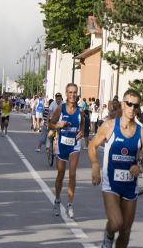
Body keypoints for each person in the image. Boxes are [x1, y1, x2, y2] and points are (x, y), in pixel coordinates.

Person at [88, 89, 143, 248]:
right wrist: (95, 165)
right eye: (129, 104)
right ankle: (108, 234)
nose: (132, 108)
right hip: (110, 184)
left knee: (125, 231)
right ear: (122, 104)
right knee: (116, 222)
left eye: (136, 105)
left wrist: (140, 167)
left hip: (130, 187)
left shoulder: (142, 133)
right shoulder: (109, 126)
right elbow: (92, 146)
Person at [48, 84, 84, 219]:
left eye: (75, 92)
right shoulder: (60, 108)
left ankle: (69, 204)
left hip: (74, 145)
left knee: (73, 174)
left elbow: (83, 122)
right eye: (70, 92)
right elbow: (50, 124)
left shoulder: (80, 111)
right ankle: (57, 201)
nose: (73, 95)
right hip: (62, 144)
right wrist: (58, 125)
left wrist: (81, 131)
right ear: (66, 93)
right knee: (60, 175)